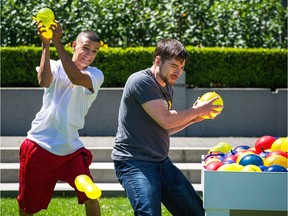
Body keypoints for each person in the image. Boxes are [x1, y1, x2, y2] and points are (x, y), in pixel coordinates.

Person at [111, 38, 223, 216]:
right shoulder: (141, 81)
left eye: (181, 67)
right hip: (134, 162)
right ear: (157, 60)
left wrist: (194, 118)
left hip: (161, 161)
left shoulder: (167, 87)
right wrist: (196, 110)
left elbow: (165, 128)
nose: (178, 72)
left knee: (195, 212)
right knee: (149, 213)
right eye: (174, 66)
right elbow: (166, 120)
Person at [17, 20, 104, 216]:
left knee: (91, 194)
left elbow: (75, 78)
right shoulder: (55, 65)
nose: (89, 55)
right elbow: (44, 81)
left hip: (70, 149)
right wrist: (46, 44)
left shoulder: (96, 75)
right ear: (74, 45)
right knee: (27, 205)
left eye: (95, 51)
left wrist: (57, 43)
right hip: (39, 144)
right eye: (86, 48)